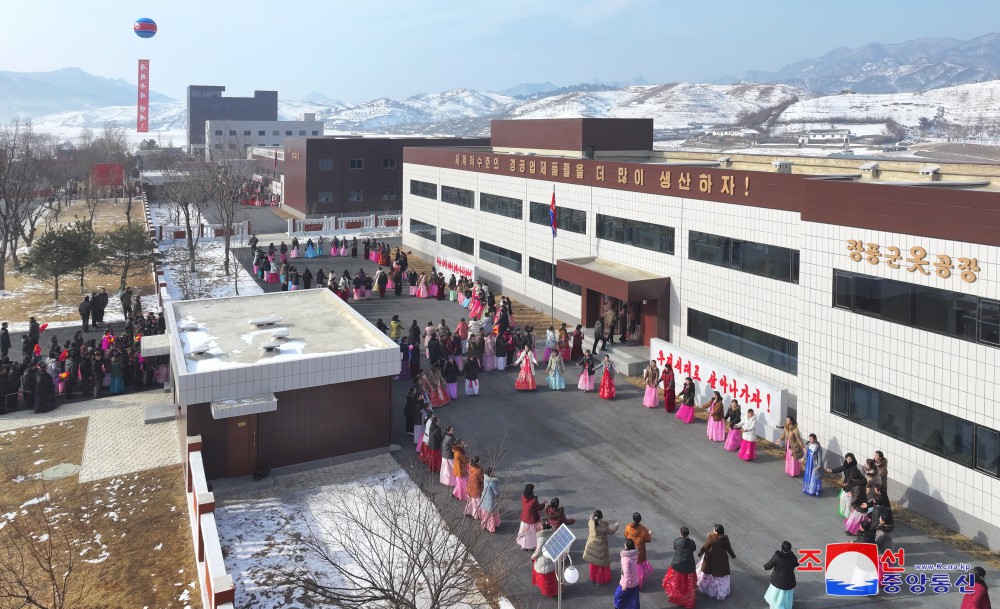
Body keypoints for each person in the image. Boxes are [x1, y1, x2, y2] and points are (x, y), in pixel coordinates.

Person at [696, 524, 736, 600]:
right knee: (718, 573)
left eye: (714, 529)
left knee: (708, 571)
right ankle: (715, 588)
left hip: (710, 558)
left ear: (716, 532)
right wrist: (733, 555)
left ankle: (705, 586)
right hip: (721, 559)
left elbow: (705, 547)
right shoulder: (725, 538)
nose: (713, 529)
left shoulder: (712, 538)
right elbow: (729, 548)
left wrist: (700, 553)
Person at [662, 526, 698, 609]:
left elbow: (675, 547)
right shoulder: (692, 542)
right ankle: (687, 600)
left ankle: (677, 596)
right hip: (689, 566)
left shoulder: (677, 541)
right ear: (688, 534)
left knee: (677, 583)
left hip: (678, 565)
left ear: (681, 533)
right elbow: (694, 548)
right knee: (687, 585)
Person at [583, 510, 620, 585]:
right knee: (600, 564)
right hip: (601, 548)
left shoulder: (591, 523)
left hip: (592, 546)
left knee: (594, 562)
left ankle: (592, 578)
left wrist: (592, 516)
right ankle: (599, 581)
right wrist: (616, 526)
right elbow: (612, 531)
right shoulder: (604, 527)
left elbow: (591, 518)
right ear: (602, 517)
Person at [827, 453, 863, 518]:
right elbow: (840, 468)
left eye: (850, 459)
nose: (848, 461)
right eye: (847, 459)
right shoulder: (845, 465)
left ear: (853, 459)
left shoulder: (854, 468)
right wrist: (832, 470)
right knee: (843, 499)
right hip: (845, 485)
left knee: (848, 501)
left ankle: (848, 515)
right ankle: (843, 512)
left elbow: (851, 477)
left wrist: (847, 483)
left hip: (850, 486)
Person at [763, 541, 797, 609]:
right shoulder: (793, 557)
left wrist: (765, 567)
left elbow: (770, 564)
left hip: (777, 581)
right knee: (786, 599)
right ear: (790, 549)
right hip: (789, 582)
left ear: (782, 548)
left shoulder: (778, 556)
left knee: (774, 598)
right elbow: (796, 564)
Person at [624, 512, 653, 588]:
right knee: (639, 572)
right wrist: (649, 534)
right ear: (640, 520)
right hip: (639, 554)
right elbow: (648, 539)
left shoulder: (628, 527)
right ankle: (637, 583)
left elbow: (626, 535)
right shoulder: (643, 530)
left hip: (630, 552)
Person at [531, 522, 558, 598]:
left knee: (545, 578)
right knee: (553, 577)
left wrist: (533, 556)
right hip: (552, 557)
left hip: (544, 559)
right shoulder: (553, 532)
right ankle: (555, 590)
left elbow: (539, 550)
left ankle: (547, 591)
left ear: (542, 527)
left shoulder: (542, 538)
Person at [517, 484, 546, 550]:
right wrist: (544, 503)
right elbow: (539, 508)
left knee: (524, 533)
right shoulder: (534, 500)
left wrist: (535, 497)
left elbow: (530, 505)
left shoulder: (523, 497)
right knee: (531, 534)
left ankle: (523, 545)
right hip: (531, 519)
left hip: (524, 518)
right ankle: (531, 546)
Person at [614, 538, 641, 609]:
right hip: (635, 582)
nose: (624, 545)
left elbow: (626, 573)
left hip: (627, 583)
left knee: (618, 596)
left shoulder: (625, 559)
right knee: (633, 599)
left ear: (627, 546)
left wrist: (624, 585)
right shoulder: (634, 555)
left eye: (625, 544)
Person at [479, 467, 501, 533]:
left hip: (484, 498)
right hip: (490, 500)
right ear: (491, 473)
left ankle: (484, 524)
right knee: (492, 514)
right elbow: (496, 492)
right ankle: (491, 527)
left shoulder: (485, 478)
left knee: (485, 513)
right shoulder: (492, 482)